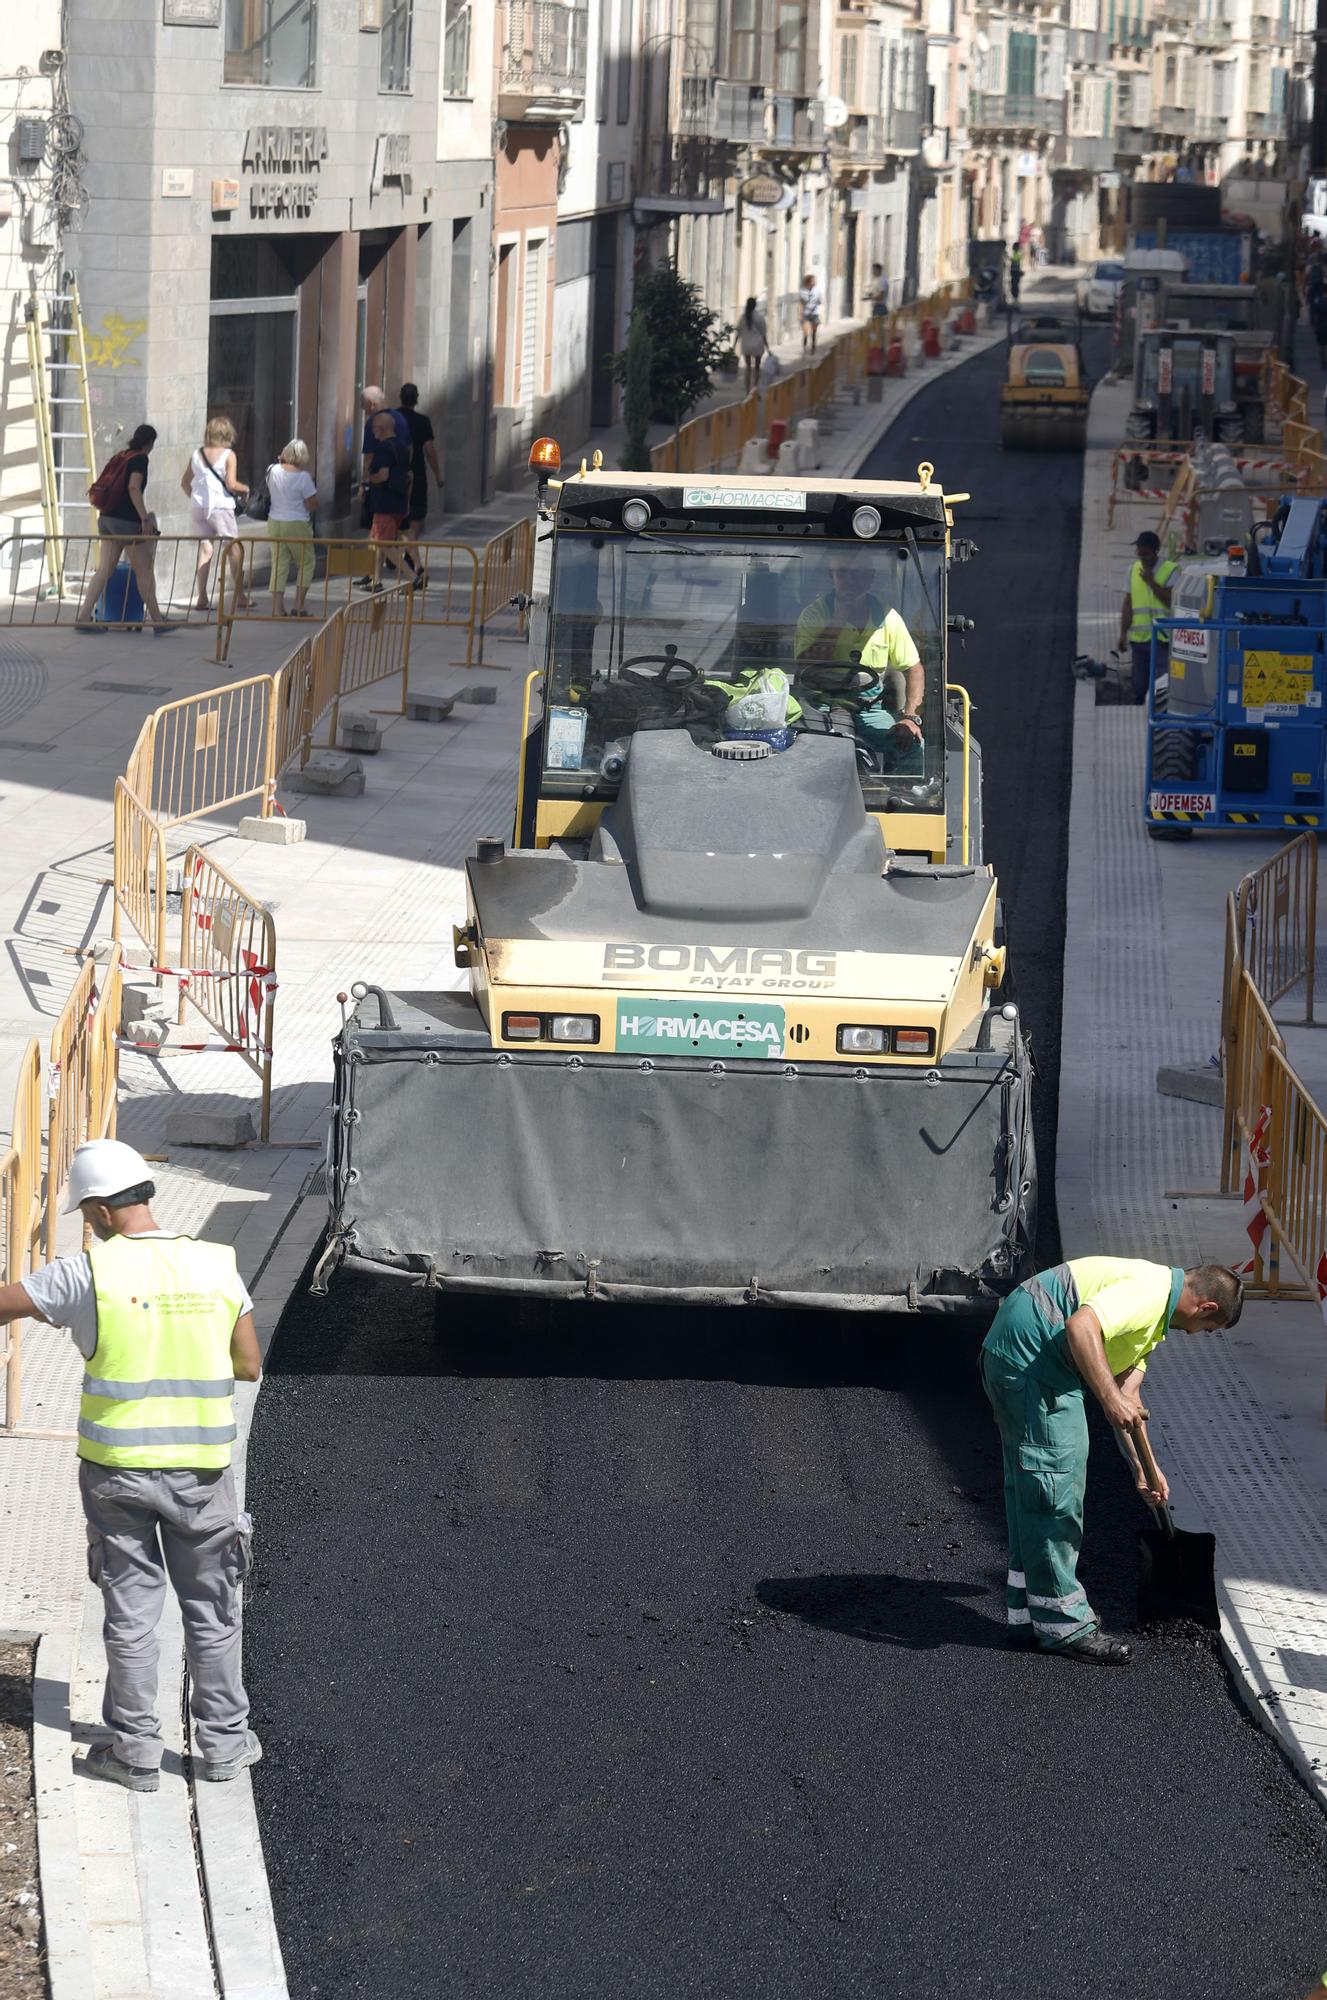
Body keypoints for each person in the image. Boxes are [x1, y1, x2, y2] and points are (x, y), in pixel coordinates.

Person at [0, 1139, 263, 1787]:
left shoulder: (87, 1273)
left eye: (85, 1212)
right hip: (201, 1472)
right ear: (145, 1194)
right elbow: (249, 1364)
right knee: (212, 1607)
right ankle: (225, 1746)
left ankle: (136, 1753)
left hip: (117, 1473)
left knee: (132, 1609)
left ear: (97, 1210)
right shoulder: (214, 1265)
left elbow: (5, 1303)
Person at [980, 1257, 1244, 1665]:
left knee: (1034, 1489)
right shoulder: (1148, 1293)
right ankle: (1063, 1626)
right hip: (1032, 1364)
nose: (1197, 1334)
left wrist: (1146, 1468)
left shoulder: (1154, 1319)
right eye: (1206, 1330)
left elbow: (1129, 1398)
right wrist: (1108, 1399)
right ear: (1206, 1308)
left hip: (1022, 1358)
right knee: (1055, 1490)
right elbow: (1080, 1326)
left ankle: (1028, 1615)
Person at [794, 554, 925, 746]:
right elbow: (805, 664)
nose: (850, 581)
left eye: (858, 574)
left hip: (870, 708)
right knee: (814, 748)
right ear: (832, 576)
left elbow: (914, 668)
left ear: (870, 578)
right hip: (821, 705)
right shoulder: (814, 615)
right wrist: (839, 619)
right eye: (842, 573)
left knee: (910, 744)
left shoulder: (888, 618)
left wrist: (910, 716)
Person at [74, 425, 176, 637]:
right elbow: (133, 487)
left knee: (104, 570)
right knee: (144, 571)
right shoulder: (140, 459)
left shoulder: (122, 455)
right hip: (127, 523)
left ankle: (83, 616)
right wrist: (144, 518)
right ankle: (157, 621)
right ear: (149, 443)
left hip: (107, 519)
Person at [182, 415, 251, 613]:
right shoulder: (228, 454)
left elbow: (184, 483)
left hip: (199, 507)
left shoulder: (197, 454)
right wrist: (245, 489)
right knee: (234, 549)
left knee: (205, 550)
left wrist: (195, 498)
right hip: (220, 506)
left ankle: (202, 597)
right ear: (227, 434)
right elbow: (231, 484)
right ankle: (239, 596)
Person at [357, 387, 413, 589]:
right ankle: (375, 579)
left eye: (374, 429)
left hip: (384, 501)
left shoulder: (382, 447)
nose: (372, 430)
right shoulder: (401, 443)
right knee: (376, 539)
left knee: (383, 543)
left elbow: (382, 474)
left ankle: (412, 576)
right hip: (398, 499)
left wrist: (367, 480)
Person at [1117, 529, 1177, 706]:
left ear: (1156, 551)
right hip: (1140, 641)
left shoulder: (1171, 570)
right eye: (1139, 554)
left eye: (1146, 554)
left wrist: (1151, 581)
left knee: (1160, 686)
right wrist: (1122, 633)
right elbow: (1128, 604)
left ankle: (1156, 719)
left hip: (1162, 640)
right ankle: (1138, 717)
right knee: (1139, 685)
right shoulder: (1132, 570)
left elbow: (1171, 601)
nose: (1142, 558)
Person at [265, 438, 318, 618]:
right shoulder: (304, 478)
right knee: (306, 563)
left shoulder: (272, 470)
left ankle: (276, 608)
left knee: (278, 564)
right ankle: (299, 605)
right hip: (296, 523)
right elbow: (312, 505)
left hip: (274, 521)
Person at [397, 382, 441, 590]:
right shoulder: (423, 422)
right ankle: (409, 555)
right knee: (414, 518)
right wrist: (438, 474)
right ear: (417, 399)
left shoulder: (393, 418)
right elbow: (430, 450)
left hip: (397, 475)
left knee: (399, 518)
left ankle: (404, 554)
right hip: (419, 474)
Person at [736, 299, 768, 395]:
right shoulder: (760, 317)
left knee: (748, 368)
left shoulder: (743, 317)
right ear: (755, 306)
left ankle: (747, 391)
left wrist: (734, 346)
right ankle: (755, 389)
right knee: (757, 368)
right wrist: (768, 346)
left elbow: (738, 332)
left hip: (746, 345)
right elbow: (763, 334)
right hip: (758, 345)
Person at [799, 272, 823, 354]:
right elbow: (801, 303)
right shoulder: (802, 292)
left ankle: (813, 346)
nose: (814, 282)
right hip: (806, 314)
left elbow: (820, 301)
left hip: (814, 313)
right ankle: (805, 346)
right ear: (808, 282)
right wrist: (800, 315)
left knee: (814, 331)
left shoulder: (818, 291)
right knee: (805, 331)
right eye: (813, 281)